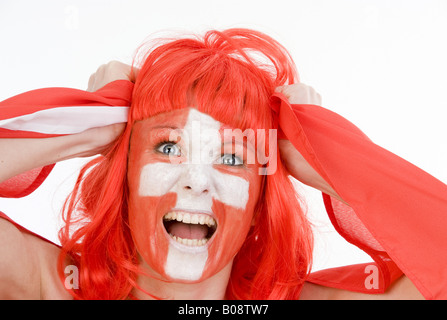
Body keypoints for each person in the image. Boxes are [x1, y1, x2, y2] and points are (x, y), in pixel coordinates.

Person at [0, 29, 445, 300]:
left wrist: (326, 152)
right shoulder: (51, 287)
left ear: (258, 202)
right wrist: (93, 125)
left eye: (231, 157)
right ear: (126, 180)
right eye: (168, 148)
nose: (197, 181)